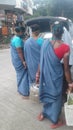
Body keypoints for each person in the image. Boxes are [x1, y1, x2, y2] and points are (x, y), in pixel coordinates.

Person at [36, 22, 73, 128]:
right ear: (62, 34)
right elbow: (66, 69)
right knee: (56, 97)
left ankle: (44, 113)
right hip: (56, 75)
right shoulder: (65, 47)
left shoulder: (45, 43)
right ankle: (55, 120)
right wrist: (70, 83)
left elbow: (40, 60)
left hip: (45, 75)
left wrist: (38, 74)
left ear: (52, 32)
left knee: (47, 93)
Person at [10, 26, 29, 99]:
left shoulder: (14, 38)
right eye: (22, 32)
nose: (23, 33)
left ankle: (20, 90)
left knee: (19, 75)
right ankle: (24, 92)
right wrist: (23, 61)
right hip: (19, 60)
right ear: (20, 32)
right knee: (23, 75)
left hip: (15, 59)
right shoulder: (17, 39)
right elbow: (19, 52)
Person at [61, 26, 73, 103]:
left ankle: (67, 99)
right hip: (68, 61)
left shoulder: (64, 32)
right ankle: (68, 98)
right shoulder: (67, 33)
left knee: (66, 81)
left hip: (66, 61)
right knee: (67, 80)